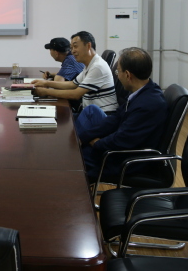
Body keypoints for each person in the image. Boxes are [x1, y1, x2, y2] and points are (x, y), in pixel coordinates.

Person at [76, 47, 168, 183]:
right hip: (121, 151)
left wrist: (96, 143)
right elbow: (115, 119)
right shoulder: (144, 91)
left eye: (118, 71)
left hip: (128, 162)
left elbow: (122, 140)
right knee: (76, 150)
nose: (117, 75)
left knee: (74, 159)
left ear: (128, 75)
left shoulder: (148, 105)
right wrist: (83, 138)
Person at [32, 31, 117, 112]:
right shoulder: (90, 65)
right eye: (71, 48)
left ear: (88, 46)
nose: (73, 51)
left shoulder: (97, 67)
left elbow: (76, 94)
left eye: (75, 46)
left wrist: (45, 91)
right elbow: (72, 84)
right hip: (90, 112)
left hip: (102, 115)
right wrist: (45, 83)